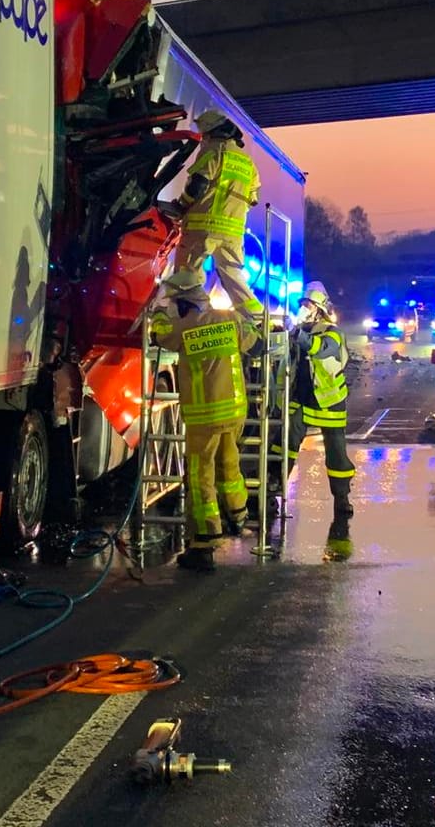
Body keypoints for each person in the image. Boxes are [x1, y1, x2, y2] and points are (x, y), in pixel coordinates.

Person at [147, 287, 260, 573]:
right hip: (234, 411)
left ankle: (204, 541)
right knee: (229, 464)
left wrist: (160, 311)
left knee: (200, 477)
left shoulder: (184, 328)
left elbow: (159, 335)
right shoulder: (230, 320)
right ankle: (238, 514)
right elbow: (253, 339)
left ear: (184, 306)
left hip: (203, 416)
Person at [163, 109, 263, 327]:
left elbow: (197, 184)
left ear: (211, 132)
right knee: (233, 275)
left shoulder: (214, 150)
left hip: (203, 226)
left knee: (188, 274)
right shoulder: (248, 162)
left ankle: (195, 317)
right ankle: (255, 317)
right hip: (234, 233)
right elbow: (252, 199)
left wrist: (181, 205)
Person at [289, 282, 355, 519]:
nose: (303, 308)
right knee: (283, 446)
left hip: (330, 401)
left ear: (319, 309)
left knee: (336, 451)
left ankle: (342, 498)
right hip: (302, 398)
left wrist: (298, 335)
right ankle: (271, 494)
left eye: (308, 305)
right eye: (302, 304)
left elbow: (321, 349)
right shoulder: (297, 331)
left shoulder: (332, 332)